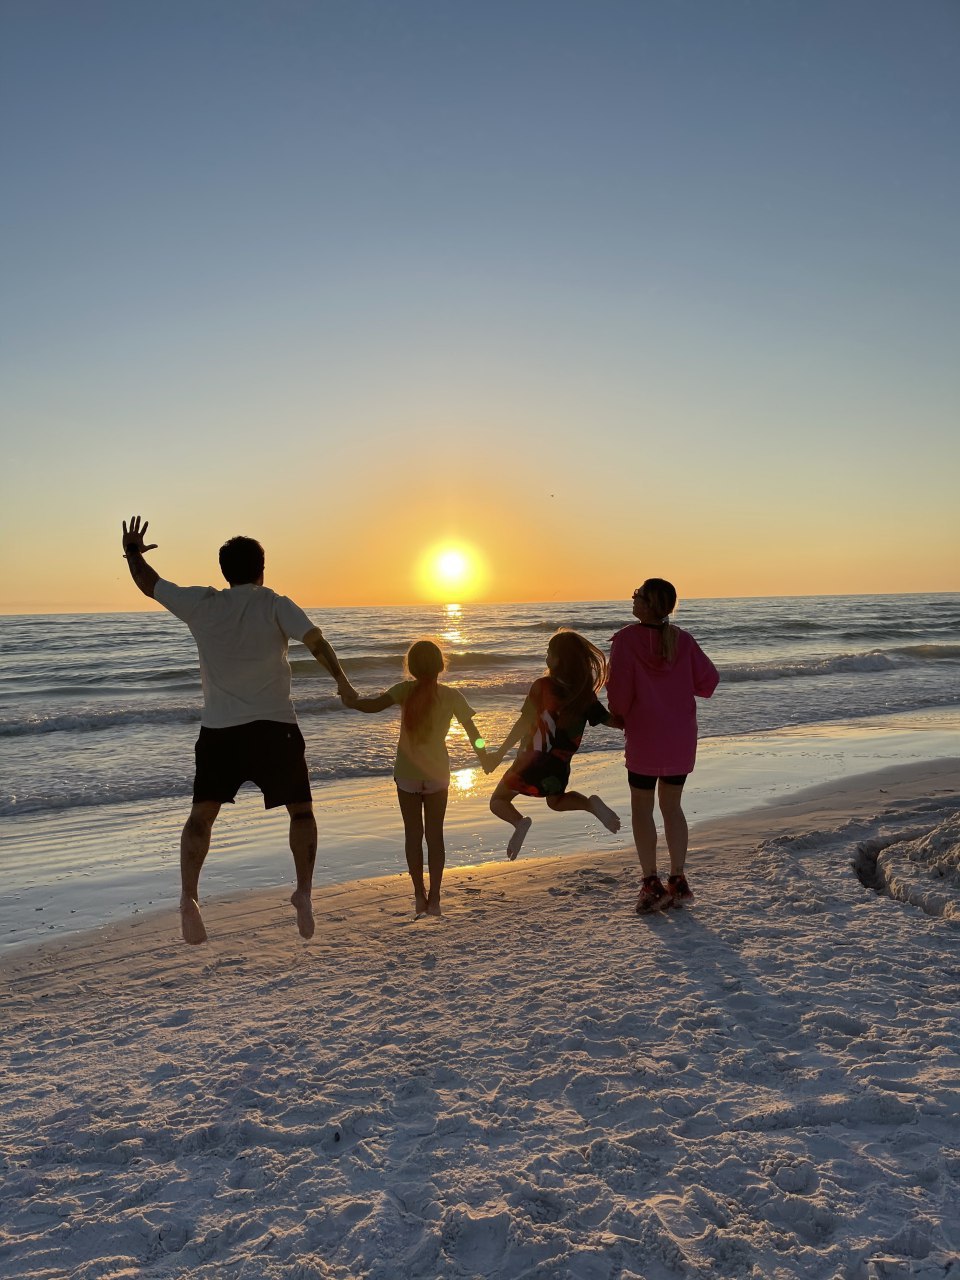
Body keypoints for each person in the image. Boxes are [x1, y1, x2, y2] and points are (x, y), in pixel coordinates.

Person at [120, 515, 357, 945]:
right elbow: (317, 641)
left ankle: (189, 898)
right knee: (301, 812)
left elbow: (148, 582)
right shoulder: (274, 603)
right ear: (261, 568)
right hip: (275, 728)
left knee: (202, 815)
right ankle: (303, 892)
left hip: (220, 731)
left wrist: (133, 551)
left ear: (224, 572)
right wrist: (342, 682)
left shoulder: (202, 605)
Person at [341, 640, 490, 917]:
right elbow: (473, 733)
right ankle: (435, 898)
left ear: (410, 667)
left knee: (413, 835)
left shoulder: (403, 690)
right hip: (437, 775)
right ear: (441, 666)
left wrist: (351, 701)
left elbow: (371, 706)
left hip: (407, 775)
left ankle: (418, 896)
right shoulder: (452, 695)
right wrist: (485, 759)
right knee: (436, 837)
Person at [606, 578, 719, 913]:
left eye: (637, 595)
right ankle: (679, 880)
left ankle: (651, 883)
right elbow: (708, 682)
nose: (633, 598)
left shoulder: (626, 639)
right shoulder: (682, 639)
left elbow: (619, 693)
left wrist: (618, 715)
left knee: (642, 807)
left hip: (645, 736)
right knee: (672, 807)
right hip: (680, 736)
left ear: (649, 604)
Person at [487, 629, 622, 860]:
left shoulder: (541, 686)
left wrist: (499, 753)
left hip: (530, 760)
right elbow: (610, 720)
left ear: (559, 660)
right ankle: (590, 805)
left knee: (498, 800)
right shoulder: (583, 693)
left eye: (549, 653)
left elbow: (523, 722)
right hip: (559, 765)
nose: (546, 656)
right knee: (557, 801)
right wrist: (630, 722)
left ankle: (519, 822)